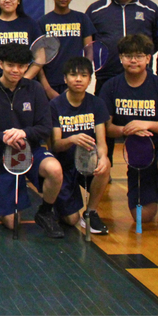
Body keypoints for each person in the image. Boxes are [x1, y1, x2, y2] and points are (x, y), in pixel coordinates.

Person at [99, 34, 158, 237]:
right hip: (139, 152)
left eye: (139, 56)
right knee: (143, 217)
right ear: (121, 58)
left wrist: (147, 124)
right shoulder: (111, 87)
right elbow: (107, 127)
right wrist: (126, 130)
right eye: (128, 55)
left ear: (149, 59)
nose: (134, 60)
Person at [0, 43, 62, 238]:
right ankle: (6, 197)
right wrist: (3, 136)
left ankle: (45, 212)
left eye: (22, 66)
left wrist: (23, 133)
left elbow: (45, 128)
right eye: (11, 65)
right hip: (2, 158)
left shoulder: (36, 89)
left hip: (32, 150)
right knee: (13, 224)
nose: (16, 70)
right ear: (1, 64)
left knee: (54, 169)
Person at [49, 56, 111, 235]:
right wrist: (71, 140)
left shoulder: (97, 103)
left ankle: (91, 212)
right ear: (65, 78)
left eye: (83, 75)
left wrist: (103, 157)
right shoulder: (55, 105)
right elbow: (56, 145)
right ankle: (58, 202)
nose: (78, 79)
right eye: (73, 75)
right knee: (71, 220)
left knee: (105, 167)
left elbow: (101, 142)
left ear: (90, 80)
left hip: (86, 162)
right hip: (64, 166)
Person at [85, 0, 158, 94]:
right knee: (106, 115)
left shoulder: (150, 9)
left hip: (142, 78)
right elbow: (88, 44)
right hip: (106, 78)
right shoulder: (95, 11)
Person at [39, 0, 95, 99]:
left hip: (75, 81)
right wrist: (47, 88)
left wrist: (83, 76)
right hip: (51, 82)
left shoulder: (82, 19)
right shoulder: (43, 22)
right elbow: (39, 59)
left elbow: (89, 51)